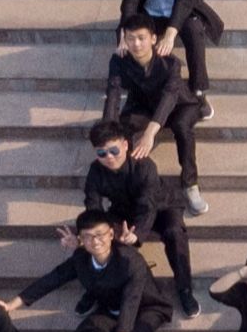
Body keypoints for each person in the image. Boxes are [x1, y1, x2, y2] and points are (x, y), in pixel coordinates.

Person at [5, 209, 175, 332]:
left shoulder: (130, 260)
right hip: (110, 310)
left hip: (146, 307)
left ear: (111, 234)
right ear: (80, 240)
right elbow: (53, 278)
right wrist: (10, 305)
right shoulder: (81, 258)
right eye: (88, 237)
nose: (95, 241)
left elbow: (132, 300)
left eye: (100, 235)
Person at [82, 119, 199, 319]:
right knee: (95, 235)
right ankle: (97, 287)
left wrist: (136, 236)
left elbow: (148, 205)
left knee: (174, 233)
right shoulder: (95, 170)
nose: (109, 157)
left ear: (125, 145)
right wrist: (92, 232)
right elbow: (92, 204)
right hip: (123, 210)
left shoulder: (144, 165)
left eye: (114, 151)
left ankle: (185, 288)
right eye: (102, 153)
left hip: (162, 207)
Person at [103, 18, 209, 215]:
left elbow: (169, 98)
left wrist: (150, 133)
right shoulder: (119, 61)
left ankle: (190, 184)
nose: (136, 44)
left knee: (182, 129)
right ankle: (125, 186)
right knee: (122, 132)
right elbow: (113, 93)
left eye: (141, 38)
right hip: (143, 106)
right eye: (131, 39)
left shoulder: (170, 62)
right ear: (124, 40)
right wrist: (108, 132)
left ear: (153, 38)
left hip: (180, 106)